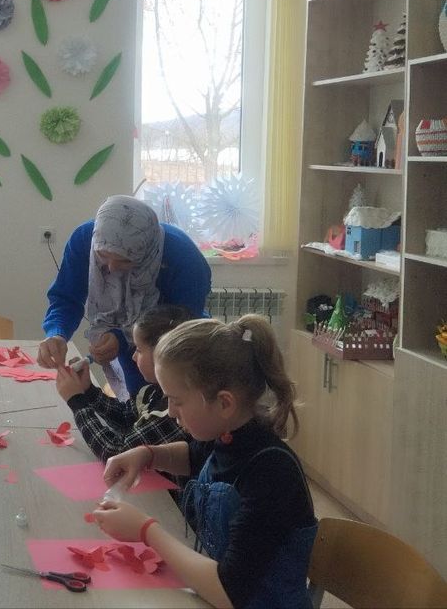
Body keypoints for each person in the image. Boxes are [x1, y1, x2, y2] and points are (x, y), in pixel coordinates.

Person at [91, 315, 317, 609]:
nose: (171, 411)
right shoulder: (229, 433)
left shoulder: (271, 472)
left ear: (224, 403)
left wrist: (147, 531)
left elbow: (229, 592)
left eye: (177, 401)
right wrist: (148, 454)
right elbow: (194, 456)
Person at [37, 195, 210, 399]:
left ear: (146, 254)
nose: (111, 268)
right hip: (137, 350)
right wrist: (57, 333)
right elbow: (66, 297)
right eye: (102, 256)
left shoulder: (184, 258)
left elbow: (182, 327)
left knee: (155, 403)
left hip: (170, 353)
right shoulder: (84, 240)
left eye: (125, 261)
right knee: (132, 404)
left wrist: (122, 337)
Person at [54, 304, 192, 461]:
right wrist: (88, 390)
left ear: (161, 354)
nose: (133, 356)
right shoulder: (153, 391)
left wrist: (76, 401)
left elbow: (117, 452)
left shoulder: (173, 412)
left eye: (138, 349)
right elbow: (126, 418)